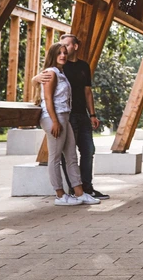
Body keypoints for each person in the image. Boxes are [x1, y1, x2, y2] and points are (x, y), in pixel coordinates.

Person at [34, 34, 109, 200]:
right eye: (60, 50)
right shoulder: (54, 70)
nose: (63, 54)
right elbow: (47, 96)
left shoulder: (73, 68)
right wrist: (35, 78)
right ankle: (63, 194)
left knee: (80, 153)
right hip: (60, 116)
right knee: (58, 156)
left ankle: (83, 191)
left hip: (73, 115)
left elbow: (87, 91)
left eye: (66, 49)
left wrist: (92, 114)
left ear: (75, 47)